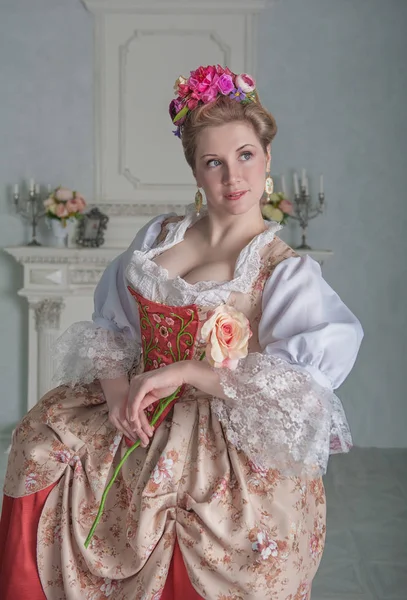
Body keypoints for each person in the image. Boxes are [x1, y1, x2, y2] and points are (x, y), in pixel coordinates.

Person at [0, 64, 363, 600]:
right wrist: (120, 393)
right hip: (135, 410)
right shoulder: (159, 236)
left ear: (268, 159)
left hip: (219, 436)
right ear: (195, 170)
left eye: (245, 156)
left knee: (203, 512)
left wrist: (191, 370)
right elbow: (112, 328)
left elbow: (299, 392)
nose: (232, 178)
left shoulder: (284, 271)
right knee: (40, 443)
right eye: (213, 162)